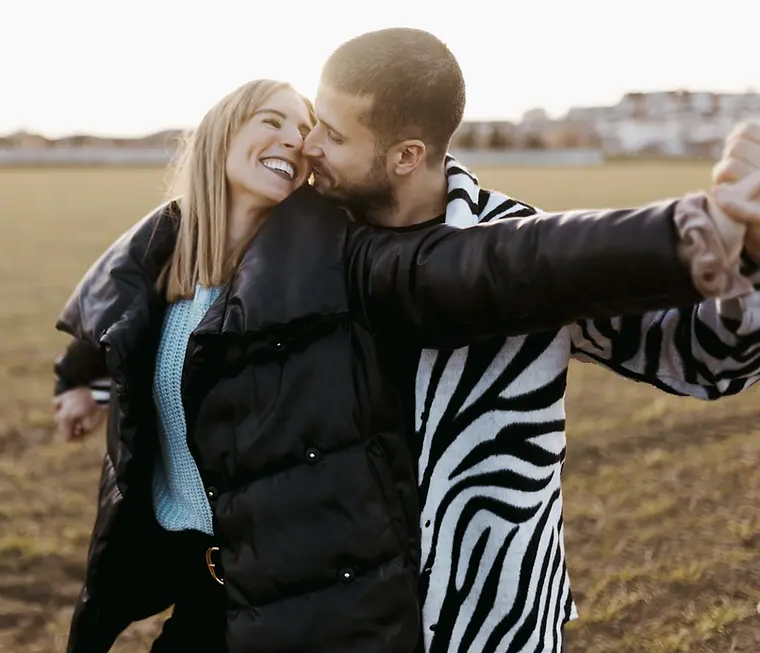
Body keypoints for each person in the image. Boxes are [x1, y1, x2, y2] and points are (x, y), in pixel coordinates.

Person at [52, 77, 759, 653]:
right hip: (210, 588)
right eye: (279, 121)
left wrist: (703, 229)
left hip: (361, 609)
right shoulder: (162, 249)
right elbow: (111, 314)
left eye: (314, 129)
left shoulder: (347, 257)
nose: (300, 144)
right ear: (219, 134)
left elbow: (514, 263)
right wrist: (78, 380)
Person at [300, 28, 760, 653]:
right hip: (335, 619)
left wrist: (752, 257)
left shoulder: (533, 249)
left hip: (491, 623)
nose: (310, 145)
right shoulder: (301, 246)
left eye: (333, 133)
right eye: (312, 120)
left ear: (406, 154)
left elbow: (706, 360)